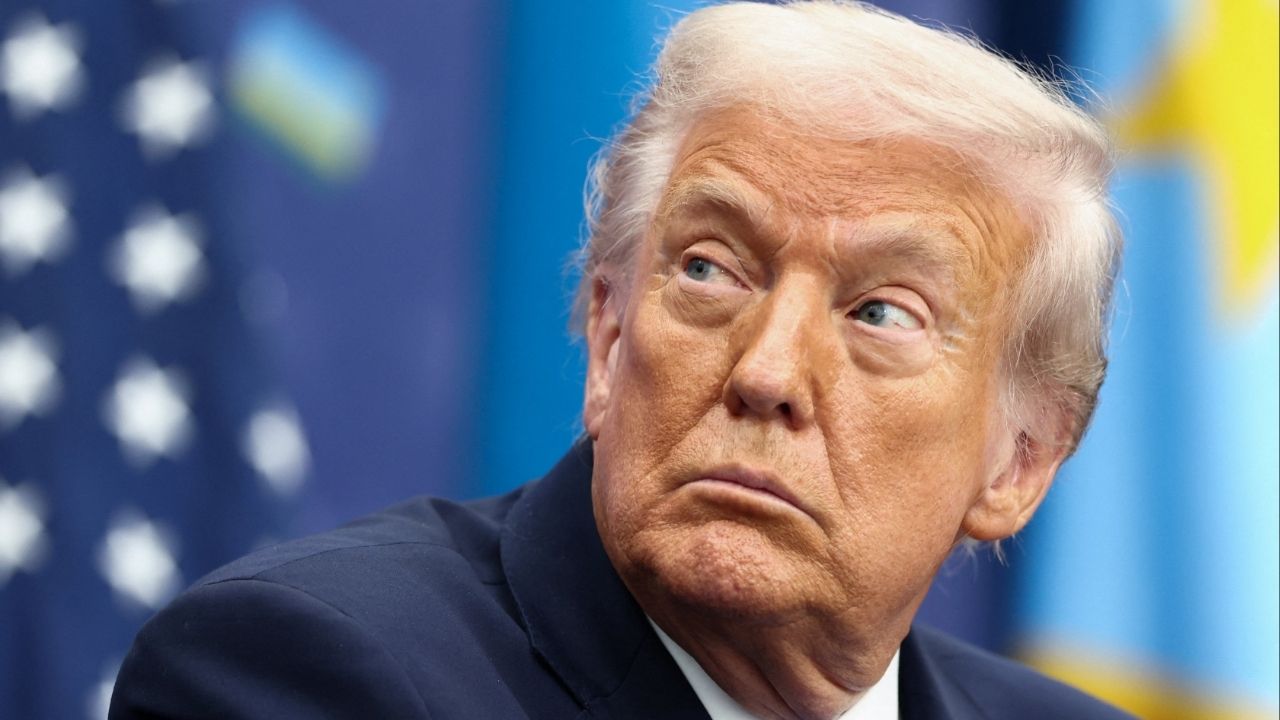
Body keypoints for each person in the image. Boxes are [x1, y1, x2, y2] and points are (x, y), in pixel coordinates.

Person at [109, 2, 1133, 718]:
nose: (767, 373)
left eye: (879, 313)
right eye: (708, 268)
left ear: (1019, 463)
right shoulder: (308, 674)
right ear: (606, 336)